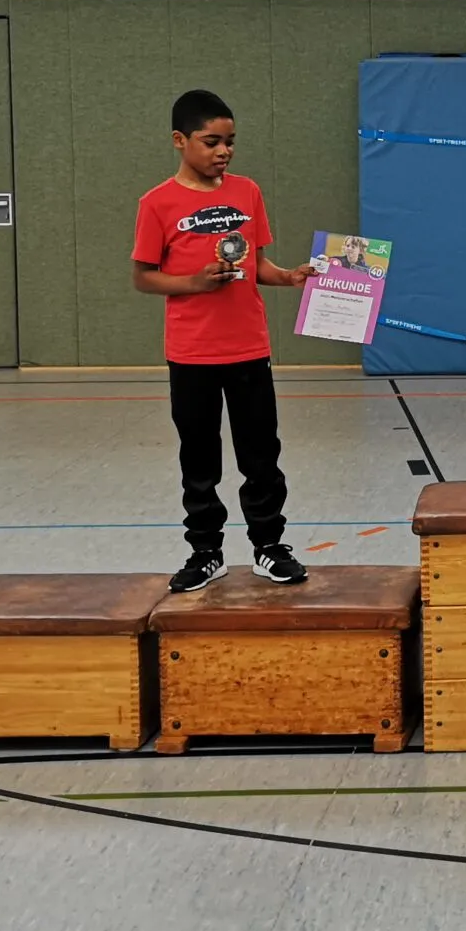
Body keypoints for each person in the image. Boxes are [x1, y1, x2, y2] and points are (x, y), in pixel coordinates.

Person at [131, 88, 317, 592]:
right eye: (211, 142)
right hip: (191, 353)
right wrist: (194, 283)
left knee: (261, 455)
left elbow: (257, 265)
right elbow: (143, 277)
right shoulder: (156, 203)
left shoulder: (247, 192)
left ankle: (269, 546)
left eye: (230, 142)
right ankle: (205, 551)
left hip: (249, 348)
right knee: (199, 458)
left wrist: (290, 276)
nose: (224, 151)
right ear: (180, 140)